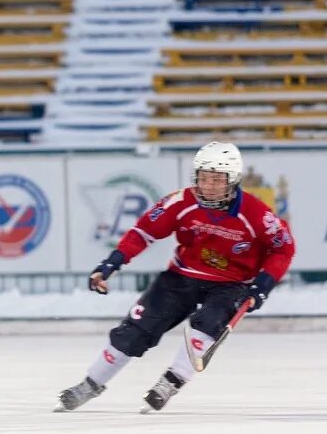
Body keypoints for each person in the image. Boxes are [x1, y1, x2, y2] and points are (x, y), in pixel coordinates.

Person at [58, 141, 294, 413]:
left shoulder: (257, 214)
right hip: (182, 276)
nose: (209, 186)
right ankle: (91, 383)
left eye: (217, 180)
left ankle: (172, 380)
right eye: (203, 178)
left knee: (208, 323)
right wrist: (111, 264)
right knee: (135, 331)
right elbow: (143, 232)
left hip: (231, 284)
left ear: (233, 180)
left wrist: (262, 286)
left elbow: (283, 247)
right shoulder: (180, 201)